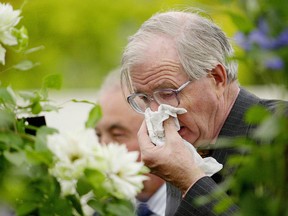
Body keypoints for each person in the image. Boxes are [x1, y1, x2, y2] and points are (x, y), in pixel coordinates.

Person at [119, 9, 288, 216]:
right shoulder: (187, 144)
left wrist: (190, 181)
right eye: (144, 99)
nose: (157, 112)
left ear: (217, 78)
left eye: (167, 93)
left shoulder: (280, 131)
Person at [95, 69, 166, 216]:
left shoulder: (199, 203)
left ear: (157, 135)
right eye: (98, 135)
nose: (102, 147)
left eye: (117, 135)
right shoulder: (105, 210)